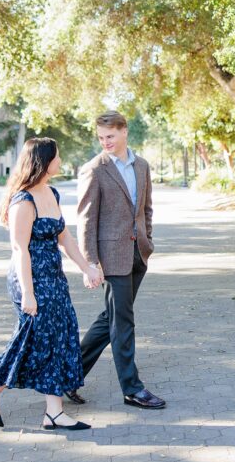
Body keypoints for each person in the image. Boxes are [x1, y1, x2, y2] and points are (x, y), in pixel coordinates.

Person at [0, 137, 95, 430]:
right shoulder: (22, 200)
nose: (61, 161)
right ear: (44, 160)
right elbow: (19, 249)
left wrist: (86, 267)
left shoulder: (51, 193)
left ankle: (54, 412)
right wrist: (28, 293)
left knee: (59, 337)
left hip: (53, 277)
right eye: (58, 156)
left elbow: (65, 238)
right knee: (32, 339)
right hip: (30, 279)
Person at [64, 111, 165, 409]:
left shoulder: (142, 165)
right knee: (123, 322)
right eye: (100, 137)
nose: (105, 142)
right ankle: (132, 389)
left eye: (110, 136)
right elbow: (85, 219)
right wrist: (91, 263)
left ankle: (68, 376)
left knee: (111, 318)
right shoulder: (94, 169)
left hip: (138, 253)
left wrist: (147, 239)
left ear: (124, 132)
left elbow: (146, 208)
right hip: (110, 258)